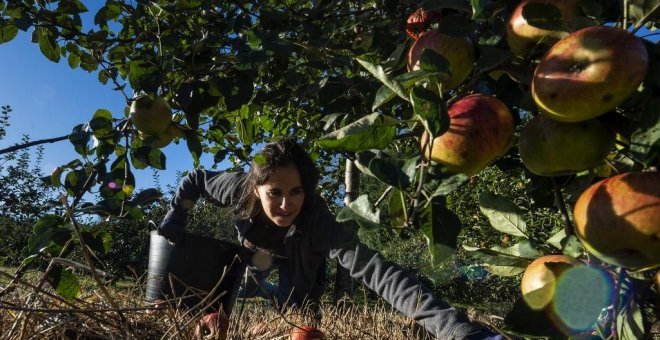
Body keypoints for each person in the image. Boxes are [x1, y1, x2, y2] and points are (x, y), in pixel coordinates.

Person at [158, 137, 502, 339]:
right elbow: (195, 179)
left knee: (299, 318)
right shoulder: (236, 187)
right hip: (253, 252)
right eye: (274, 192)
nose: (285, 204)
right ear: (256, 187)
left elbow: (379, 272)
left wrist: (459, 332)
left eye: (296, 192)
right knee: (221, 293)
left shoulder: (318, 220)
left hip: (298, 256)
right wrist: (177, 214)